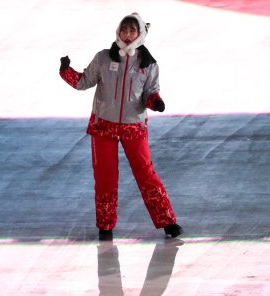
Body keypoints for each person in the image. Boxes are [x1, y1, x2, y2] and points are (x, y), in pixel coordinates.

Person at [58, 13, 182, 241]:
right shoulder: (104, 58)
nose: (127, 35)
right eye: (123, 30)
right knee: (105, 177)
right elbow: (83, 82)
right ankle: (105, 226)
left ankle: (168, 222)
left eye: (132, 31)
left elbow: (150, 92)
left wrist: (155, 102)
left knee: (146, 174)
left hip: (133, 127)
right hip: (103, 126)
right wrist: (66, 70)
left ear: (140, 34)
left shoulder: (149, 64)